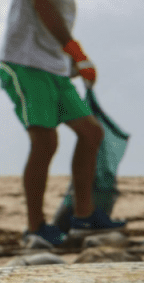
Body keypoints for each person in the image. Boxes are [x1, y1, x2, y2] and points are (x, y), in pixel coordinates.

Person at [1, 0, 125, 247]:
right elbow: (42, 5)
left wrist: (70, 63)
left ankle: (84, 217)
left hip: (54, 68)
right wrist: (77, 53)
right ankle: (35, 229)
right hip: (24, 63)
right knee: (45, 142)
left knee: (91, 133)